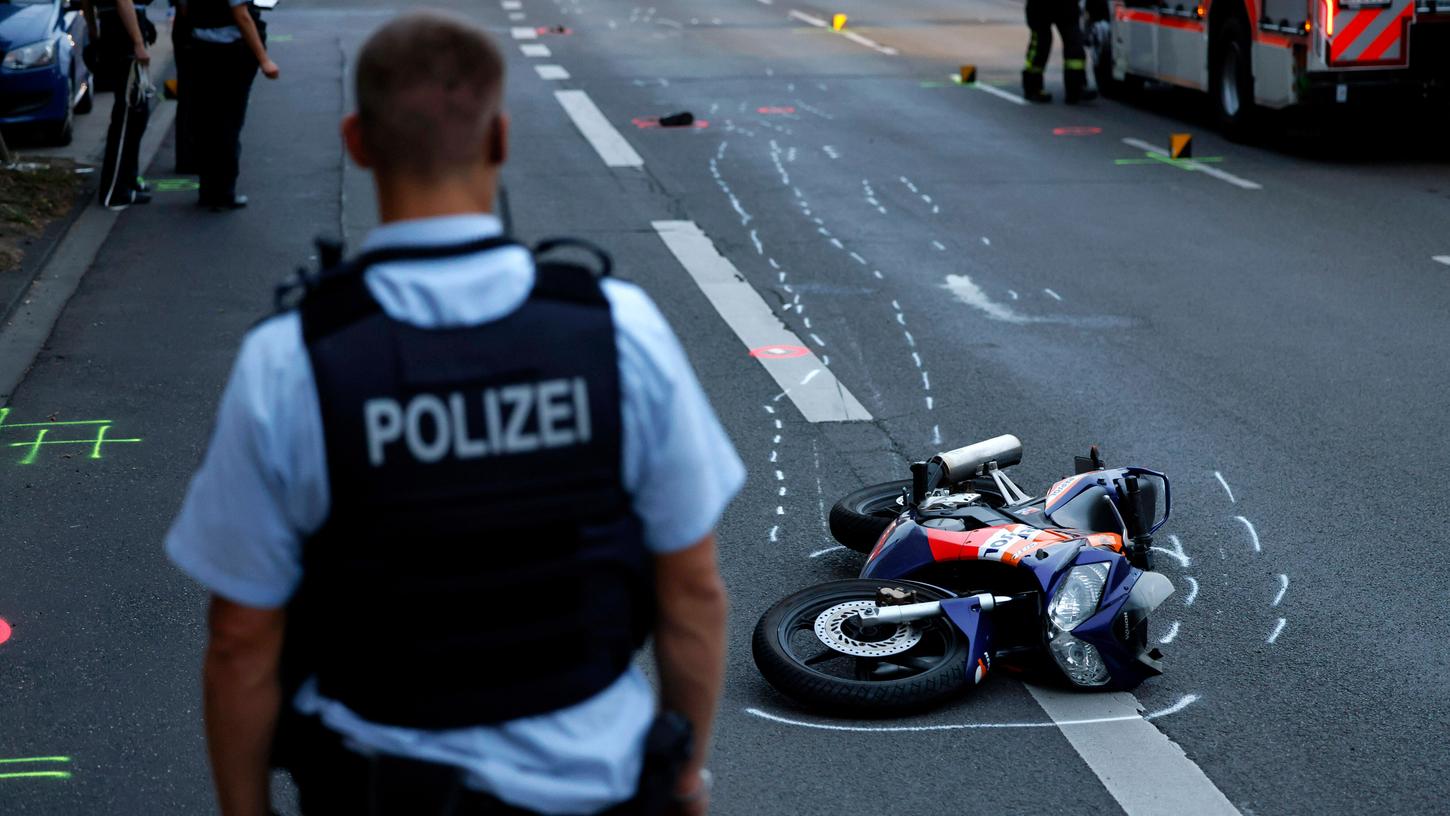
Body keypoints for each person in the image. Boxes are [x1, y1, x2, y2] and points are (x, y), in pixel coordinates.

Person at [164, 10, 740, 816]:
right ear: (500, 139)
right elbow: (693, 591)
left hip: (378, 789)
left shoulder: (293, 359)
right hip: (596, 787)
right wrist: (684, 775)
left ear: (357, 142)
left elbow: (240, 640)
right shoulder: (616, 329)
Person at [185, 0, 279, 210]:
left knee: (207, 122)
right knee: (229, 123)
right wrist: (264, 59)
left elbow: (184, 10)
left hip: (199, 49)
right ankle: (223, 191)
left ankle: (207, 189)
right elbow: (242, 15)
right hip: (231, 53)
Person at [83, 0, 156, 209]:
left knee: (136, 113)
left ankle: (128, 180)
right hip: (123, 36)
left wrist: (93, 29)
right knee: (127, 116)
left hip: (115, 31)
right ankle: (115, 190)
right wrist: (138, 42)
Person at [1022, 0, 1098, 104]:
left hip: (1066, 6)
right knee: (1041, 45)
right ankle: (1033, 88)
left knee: (1074, 45)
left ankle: (1075, 89)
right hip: (1040, 6)